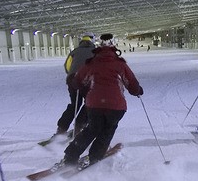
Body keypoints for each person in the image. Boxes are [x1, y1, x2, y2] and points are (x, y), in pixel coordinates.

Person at [61, 33, 143, 165]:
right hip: (116, 106)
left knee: (92, 129)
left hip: (94, 105)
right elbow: (131, 82)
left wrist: (73, 81)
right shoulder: (120, 64)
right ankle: (95, 155)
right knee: (108, 129)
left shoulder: (92, 63)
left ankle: (70, 156)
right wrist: (137, 90)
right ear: (114, 48)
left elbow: (78, 81)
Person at [57, 34, 96, 136]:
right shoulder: (96, 52)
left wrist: (73, 75)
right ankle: (79, 125)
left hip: (73, 79)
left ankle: (61, 128)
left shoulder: (74, 52)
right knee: (90, 103)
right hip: (89, 80)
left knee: (75, 104)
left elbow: (67, 67)